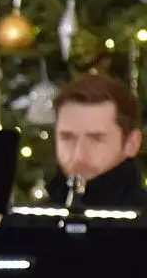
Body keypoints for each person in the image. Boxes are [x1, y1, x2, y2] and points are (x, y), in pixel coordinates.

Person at [20, 73, 145, 212]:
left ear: (132, 143)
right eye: (67, 138)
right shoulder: (32, 224)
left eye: (96, 139)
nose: (79, 155)